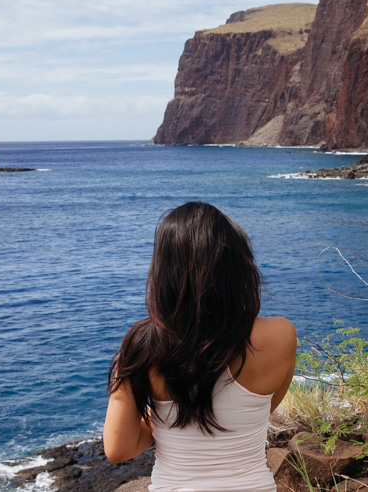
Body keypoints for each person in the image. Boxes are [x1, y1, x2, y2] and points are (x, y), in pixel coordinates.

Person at [103, 202, 296, 491]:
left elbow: (118, 449)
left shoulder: (143, 345)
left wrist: (159, 416)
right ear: (237, 266)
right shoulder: (282, 335)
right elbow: (262, 409)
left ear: (163, 270)